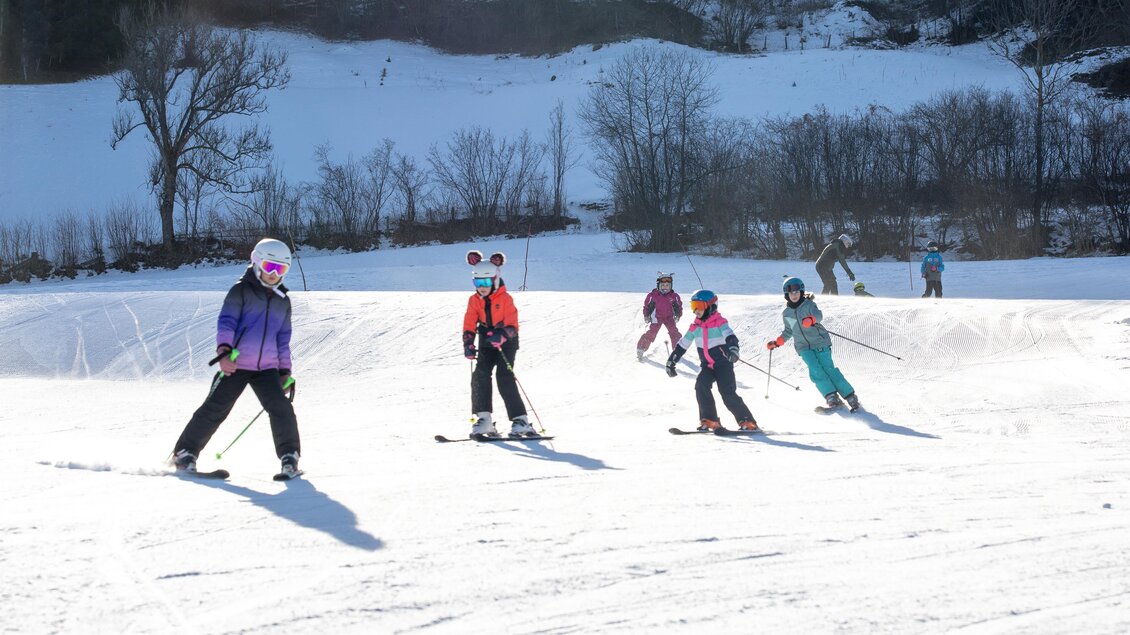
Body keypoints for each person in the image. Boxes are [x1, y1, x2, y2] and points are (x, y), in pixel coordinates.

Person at [172, 238, 301, 477]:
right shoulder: (240, 291)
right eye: (269, 267)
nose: (273, 274)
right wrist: (224, 352)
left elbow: (283, 339)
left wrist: (285, 372)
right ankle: (185, 453)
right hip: (237, 363)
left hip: (268, 369)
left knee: (281, 409)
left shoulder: (283, 301)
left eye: (280, 269)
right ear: (256, 262)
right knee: (216, 408)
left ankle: (289, 457)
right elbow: (226, 323)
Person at [664, 290, 759, 432]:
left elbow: (730, 336)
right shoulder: (695, 327)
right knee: (701, 386)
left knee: (727, 393)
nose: (696, 310)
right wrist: (672, 361)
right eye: (693, 305)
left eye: (699, 306)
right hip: (707, 366)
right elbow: (683, 345)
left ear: (711, 306)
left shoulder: (720, 323)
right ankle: (710, 420)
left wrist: (733, 350)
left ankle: (748, 421)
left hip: (723, 364)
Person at [462, 250, 532, 438]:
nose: (481, 288)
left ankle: (520, 420)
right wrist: (468, 342)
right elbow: (469, 322)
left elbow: (512, 324)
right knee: (480, 375)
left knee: (504, 376)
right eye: (477, 283)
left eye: (485, 283)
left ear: (495, 280)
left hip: (507, 342)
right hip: (486, 340)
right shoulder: (474, 300)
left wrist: (502, 335)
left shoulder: (505, 299)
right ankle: (484, 419)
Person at [767, 277, 862, 412]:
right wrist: (777, 342)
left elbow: (819, 316)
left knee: (828, 369)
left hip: (819, 342)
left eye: (796, 292)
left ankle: (849, 395)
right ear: (786, 295)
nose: (794, 295)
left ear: (801, 292)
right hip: (803, 347)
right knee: (815, 370)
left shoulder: (809, 305)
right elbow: (789, 330)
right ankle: (831, 396)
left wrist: (811, 319)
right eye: (791, 293)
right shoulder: (787, 313)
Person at [636, 272, 683, 360]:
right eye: (663, 286)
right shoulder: (653, 296)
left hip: (669, 317)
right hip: (656, 317)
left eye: (667, 286)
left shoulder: (674, 296)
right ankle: (641, 348)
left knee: (674, 332)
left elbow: (678, 306)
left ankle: (678, 350)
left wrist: (678, 313)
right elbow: (647, 306)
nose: (665, 288)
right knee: (652, 333)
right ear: (659, 286)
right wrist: (646, 315)